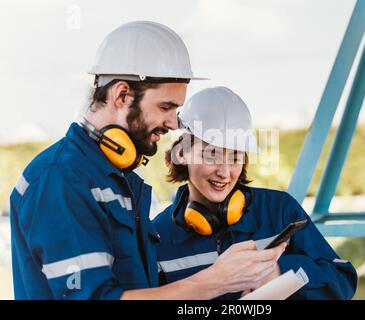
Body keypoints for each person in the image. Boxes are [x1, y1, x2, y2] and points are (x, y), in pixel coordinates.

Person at [9, 21, 285, 300]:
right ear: (121, 95)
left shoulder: (118, 179)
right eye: (166, 107)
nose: (173, 122)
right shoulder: (60, 180)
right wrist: (216, 281)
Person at [154, 86, 358, 299]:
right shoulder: (158, 236)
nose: (224, 172)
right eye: (211, 154)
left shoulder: (279, 210)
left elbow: (342, 279)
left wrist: (279, 272)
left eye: (235, 156)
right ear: (183, 153)